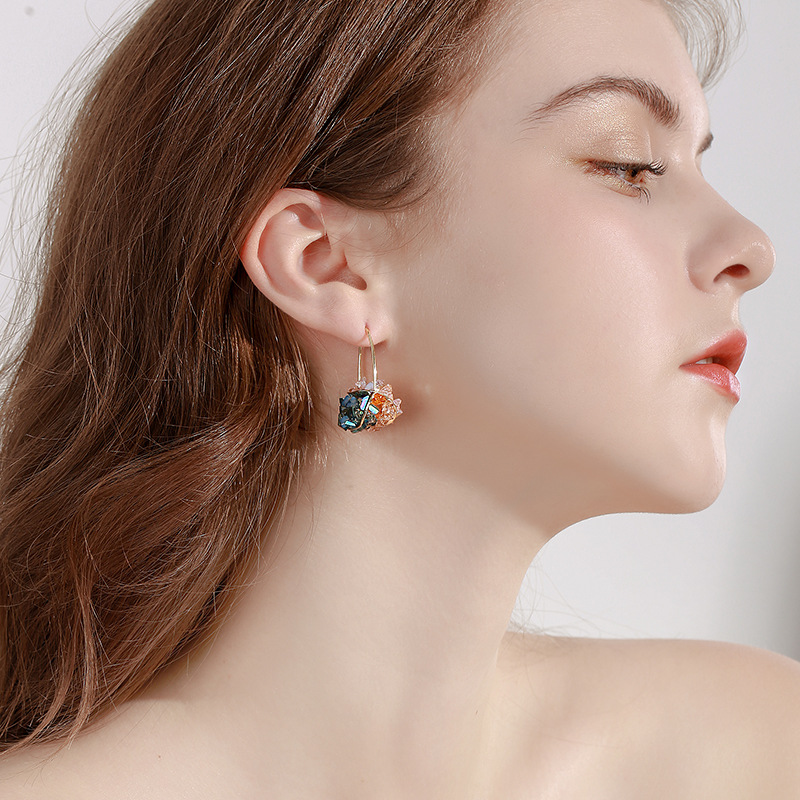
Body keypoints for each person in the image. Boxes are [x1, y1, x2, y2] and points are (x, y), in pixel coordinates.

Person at [0, 0, 798, 796]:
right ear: (326, 264)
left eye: (695, 164)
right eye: (629, 165)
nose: (753, 250)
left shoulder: (760, 749)